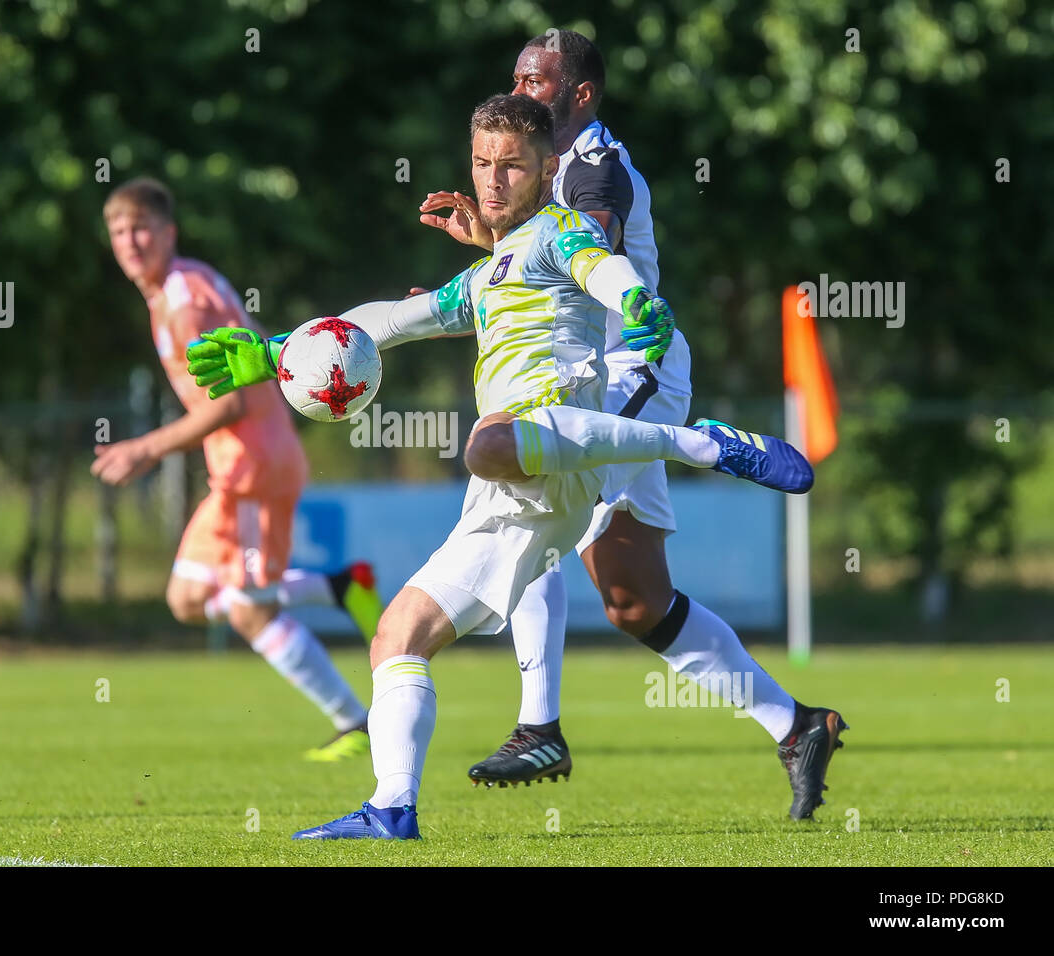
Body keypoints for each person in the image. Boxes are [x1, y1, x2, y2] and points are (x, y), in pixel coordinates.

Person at [188, 95, 830, 838]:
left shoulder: (560, 231)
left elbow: (603, 268)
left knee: (486, 442)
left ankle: (702, 444)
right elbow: (396, 320)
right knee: (397, 636)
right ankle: (391, 807)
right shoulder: (491, 270)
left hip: (553, 454)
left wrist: (637, 302)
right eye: (482, 164)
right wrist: (277, 353)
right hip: (510, 492)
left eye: (512, 165)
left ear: (546, 168)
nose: (493, 181)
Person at [414, 31, 846, 820]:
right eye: (514, 74)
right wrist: (488, 249)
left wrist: (507, 253)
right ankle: (798, 725)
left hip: (628, 371)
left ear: (579, 96)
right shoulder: (548, 173)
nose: (522, 88)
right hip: (582, 375)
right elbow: (537, 261)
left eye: (537, 79)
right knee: (634, 601)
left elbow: (589, 253)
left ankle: (537, 725)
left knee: (533, 489)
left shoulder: (591, 167)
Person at [94, 177, 381, 762]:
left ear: (168, 233)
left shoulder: (185, 300)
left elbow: (229, 404)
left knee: (249, 608)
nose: (130, 241)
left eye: (141, 228)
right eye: (119, 231)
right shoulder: (179, 287)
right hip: (243, 469)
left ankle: (355, 722)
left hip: (252, 470)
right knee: (187, 598)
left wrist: (145, 450)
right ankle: (339, 585)